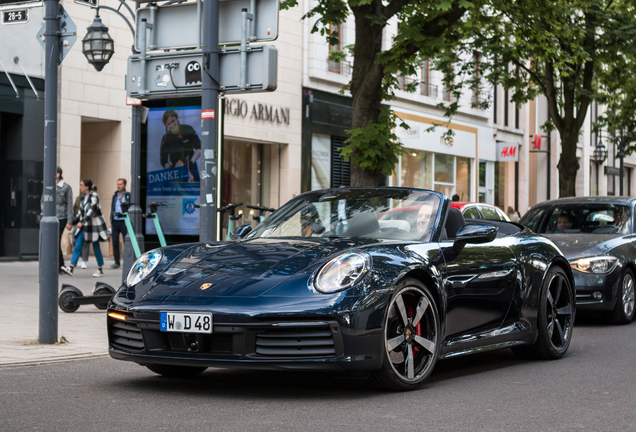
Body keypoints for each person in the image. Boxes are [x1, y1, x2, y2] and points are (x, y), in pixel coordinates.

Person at [68, 179, 109, 277]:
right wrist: (72, 223)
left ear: (87, 187)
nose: (80, 186)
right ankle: (71, 268)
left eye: (81, 185)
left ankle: (100, 269)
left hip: (93, 226)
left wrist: (82, 222)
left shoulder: (94, 196)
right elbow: (80, 213)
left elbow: (92, 211)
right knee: (78, 245)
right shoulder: (82, 198)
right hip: (85, 225)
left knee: (96, 247)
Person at [42, 166, 73, 275]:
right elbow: (43, 200)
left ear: (58, 174)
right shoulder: (48, 186)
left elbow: (70, 205)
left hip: (61, 218)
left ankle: (60, 265)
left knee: (55, 240)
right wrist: (44, 213)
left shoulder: (66, 187)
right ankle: (58, 265)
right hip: (49, 218)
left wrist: (70, 221)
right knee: (52, 241)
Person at [160, 110, 201, 181]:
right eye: (168, 124)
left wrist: (191, 163)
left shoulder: (188, 129)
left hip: (191, 166)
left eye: (173, 121)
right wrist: (170, 167)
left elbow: (199, 149)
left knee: (195, 189)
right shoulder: (165, 139)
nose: (172, 125)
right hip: (176, 170)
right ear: (166, 126)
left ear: (177, 119)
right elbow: (163, 160)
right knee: (179, 191)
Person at [110, 178, 131, 270]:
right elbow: (112, 208)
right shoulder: (114, 195)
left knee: (126, 241)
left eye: (120, 184)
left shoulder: (128, 195)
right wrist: (111, 220)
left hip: (124, 221)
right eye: (117, 184)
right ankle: (116, 262)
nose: (118, 186)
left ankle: (128, 261)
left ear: (125, 185)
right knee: (115, 242)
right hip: (115, 221)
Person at [72, 193, 90, 269]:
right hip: (77, 222)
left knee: (85, 242)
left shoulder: (92, 198)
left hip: (86, 223)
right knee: (74, 240)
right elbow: (74, 209)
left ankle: (84, 260)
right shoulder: (78, 198)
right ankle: (80, 257)